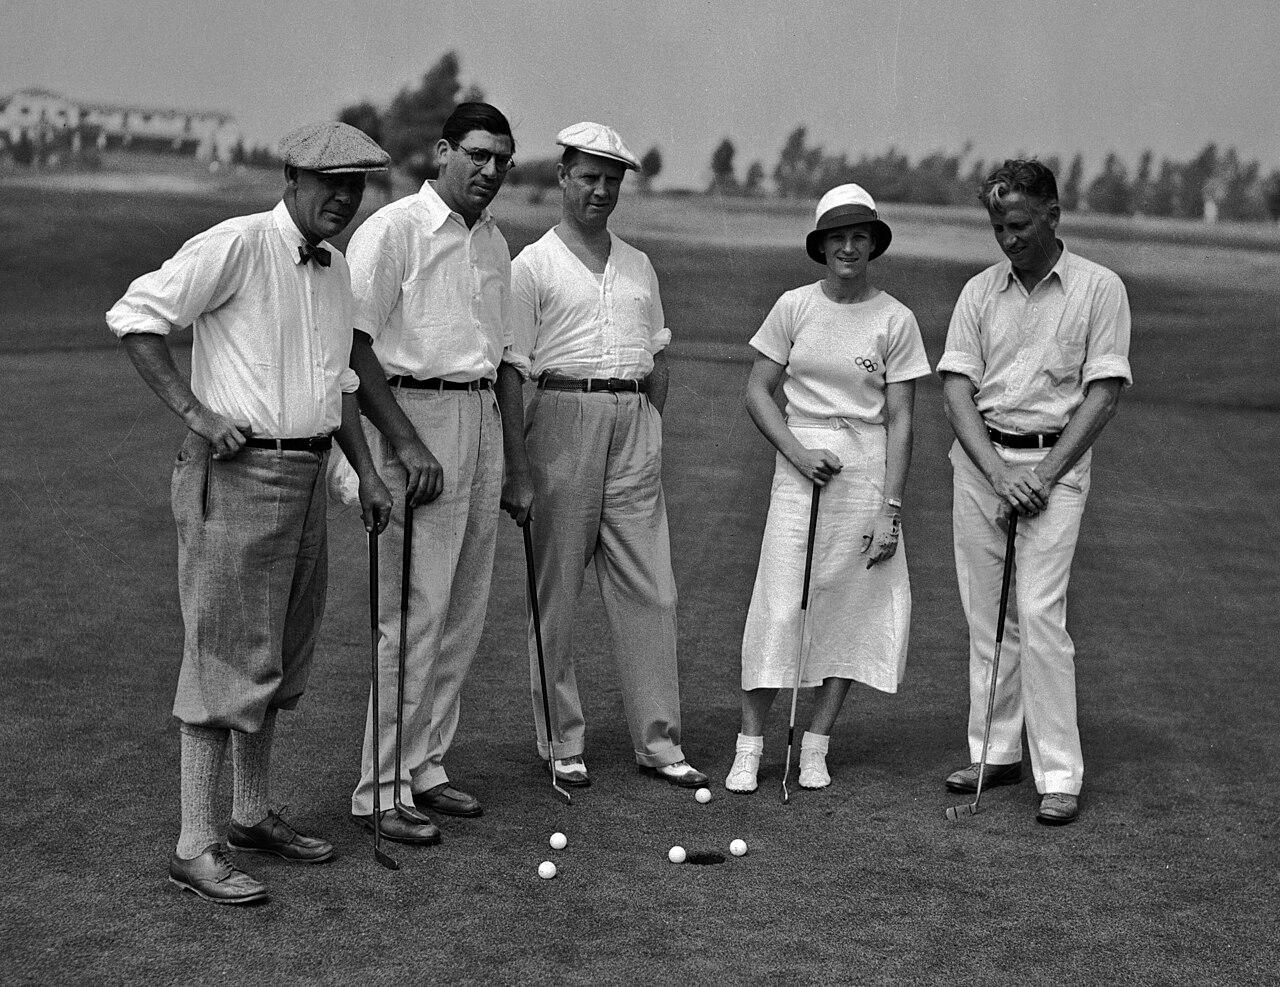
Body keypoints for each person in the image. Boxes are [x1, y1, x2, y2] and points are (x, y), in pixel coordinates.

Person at [106, 121, 394, 904]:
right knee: (222, 655)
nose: (345, 198)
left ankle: (250, 812)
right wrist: (196, 413)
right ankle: (194, 844)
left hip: (304, 475)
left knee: (277, 654)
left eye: (357, 185)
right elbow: (135, 315)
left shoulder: (335, 269)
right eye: (331, 183)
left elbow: (337, 386)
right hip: (236, 472)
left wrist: (365, 472)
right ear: (291, 179)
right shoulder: (236, 243)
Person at [342, 102, 532, 842]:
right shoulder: (394, 230)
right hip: (412, 418)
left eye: (503, 161)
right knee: (412, 615)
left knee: (462, 613)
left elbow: (503, 360)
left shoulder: (494, 242)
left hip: (479, 418)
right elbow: (355, 347)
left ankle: (425, 765)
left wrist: (514, 463)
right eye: (478, 155)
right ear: (443, 151)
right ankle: (379, 788)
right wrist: (406, 444)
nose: (491, 171)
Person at [506, 122, 708, 789]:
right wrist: (517, 465)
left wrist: (648, 425)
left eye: (611, 180)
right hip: (562, 419)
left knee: (655, 589)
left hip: (632, 423)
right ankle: (561, 740)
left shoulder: (638, 264)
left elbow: (658, 358)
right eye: (588, 177)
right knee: (556, 592)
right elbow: (513, 371)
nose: (600, 191)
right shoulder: (532, 264)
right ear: (563, 177)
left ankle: (660, 742)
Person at [938, 159, 1132, 826]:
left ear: (1053, 214)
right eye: (997, 226)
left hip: (1056, 469)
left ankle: (1058, 771)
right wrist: (996, 470)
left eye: (1018, 224)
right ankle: (994, 752)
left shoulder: (1100, 288)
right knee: (987, 614)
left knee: (1041, 615)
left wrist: (1041, 477)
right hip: (983, 464)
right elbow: (957, 388)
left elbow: (1103, 393)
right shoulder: (979, 292)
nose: (1008, 238)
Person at [726, 184, 931, 794]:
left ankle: (815, 743)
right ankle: (750, 745)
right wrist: (796, 450)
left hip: (866, 471)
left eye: (859, 237)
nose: (849, 247)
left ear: (873, 244)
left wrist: (890, 509)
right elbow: (759, 390)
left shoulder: (896, 319)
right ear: (821, 245)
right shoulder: (793, 306)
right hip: (799, 466)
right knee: (780, 600)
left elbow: (901, 419)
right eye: (837, 238)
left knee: (848, 604)